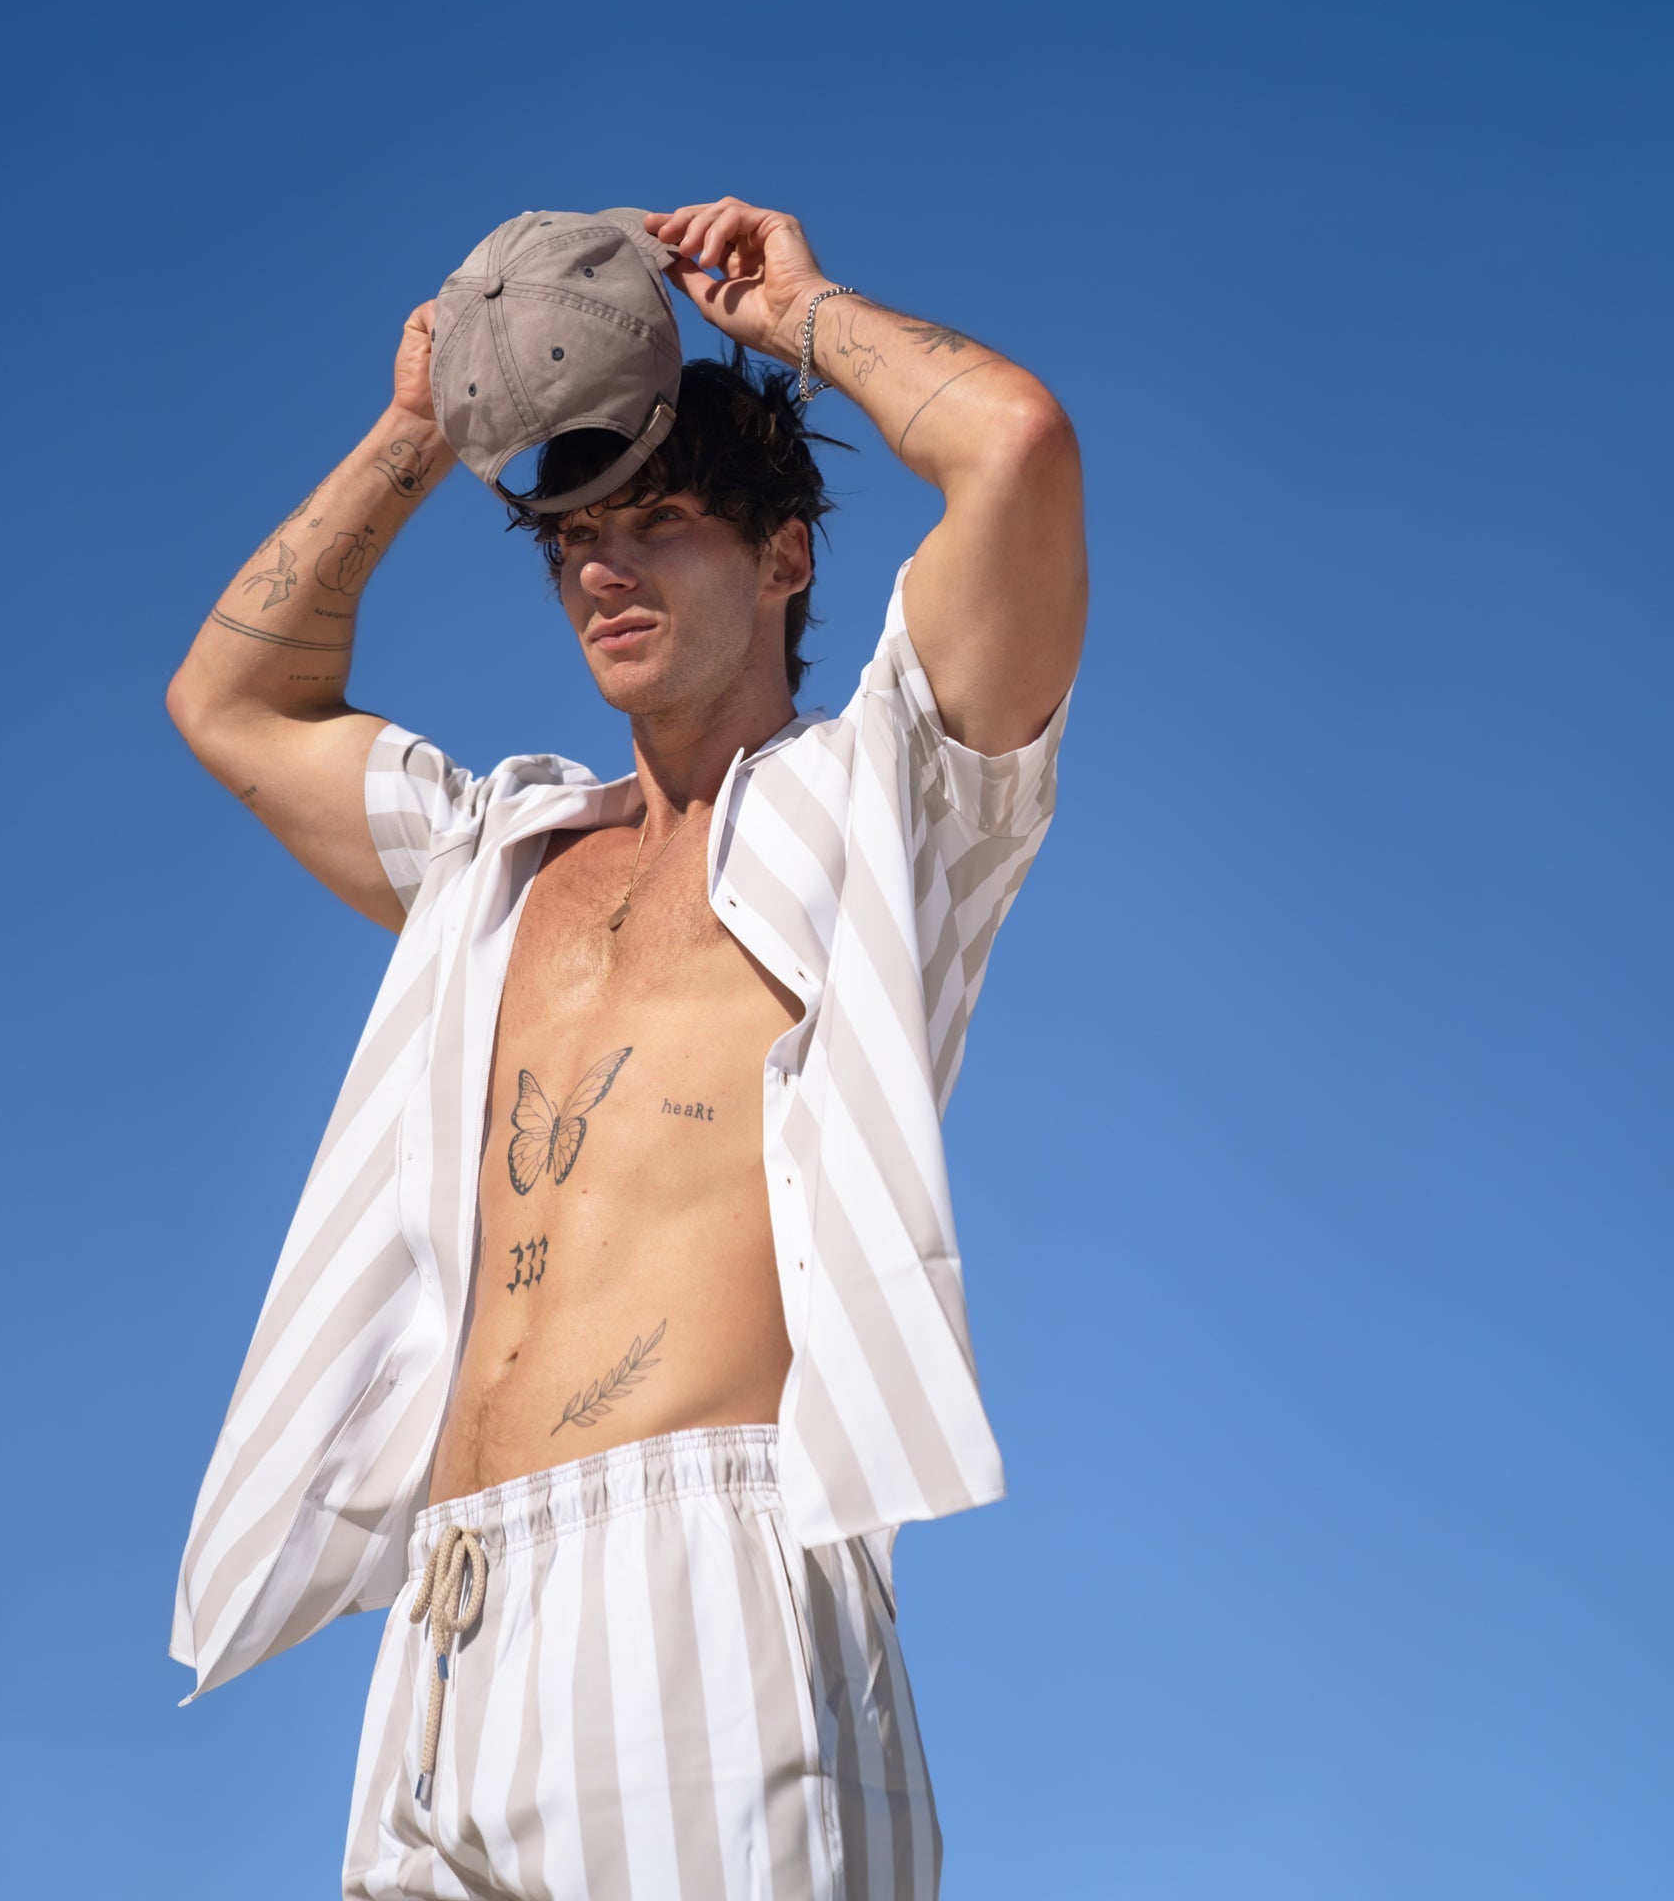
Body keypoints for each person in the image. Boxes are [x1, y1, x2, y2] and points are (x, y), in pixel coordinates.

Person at [165, 196, 1087, 1899]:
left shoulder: (887, 805)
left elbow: (1015, 448)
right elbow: (231, 704)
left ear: (786, 558)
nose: (603, 569)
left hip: (706, 1596)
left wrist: (797, 315)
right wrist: (419, 430)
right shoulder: (495, 862)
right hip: (448, 1628)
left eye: (659, 523)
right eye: (573, 537)